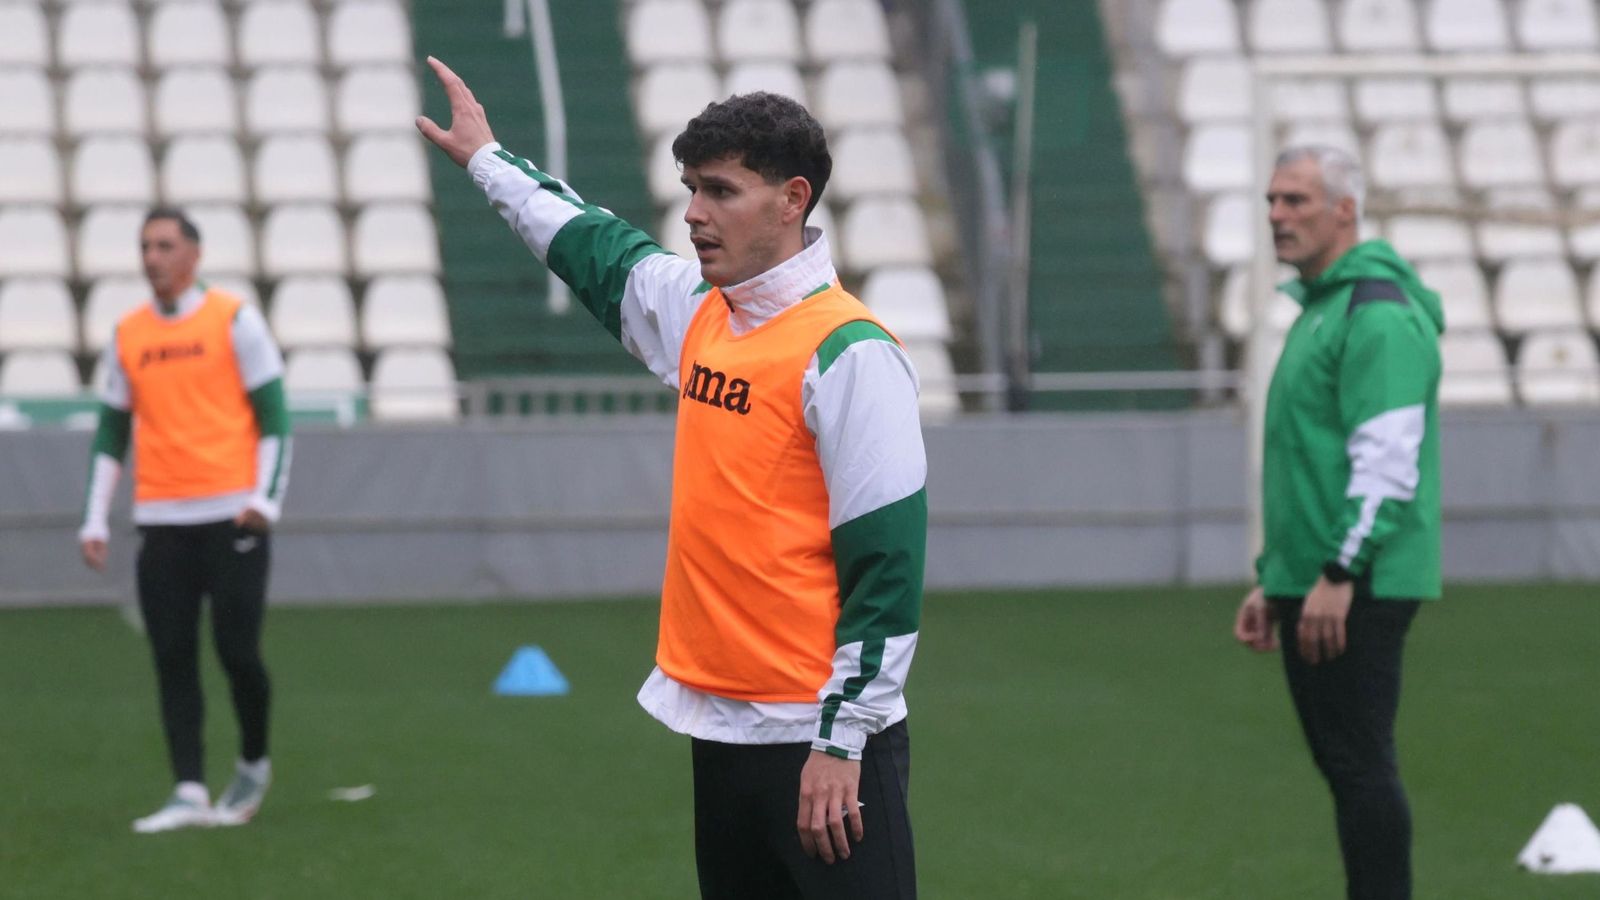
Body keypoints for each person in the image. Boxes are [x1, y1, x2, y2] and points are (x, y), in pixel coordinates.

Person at [416, 57, 925, 898]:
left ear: (793, 199)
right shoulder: (703, 311)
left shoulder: (850, 353)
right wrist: (487, 159)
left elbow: (888, 568)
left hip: (823, 742)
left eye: (720, 191)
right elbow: (593, 246)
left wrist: (841, 741)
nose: (693, 213)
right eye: (690, 188)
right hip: (720, 730)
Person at [1233, 145, 1443, 900]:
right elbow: (1312, 460)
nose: (1277, 216)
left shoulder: (1376, 313)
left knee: (1359, 765)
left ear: (1345, 210)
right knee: (1348, 767)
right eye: (1271, 201)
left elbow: (1388, 462)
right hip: (1317, 576)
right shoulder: (1323, 309)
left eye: (1296, 201)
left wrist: (1336, 574)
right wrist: (1278, 577)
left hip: (1358, 580)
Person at [78, 208, 293, 833]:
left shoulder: (234, 320)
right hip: (161, 521)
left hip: (233, 517)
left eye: (165, 245)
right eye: (145, 246)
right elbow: (111, 434)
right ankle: (189, 790)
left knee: (237, 653)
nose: (152, 257)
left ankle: (252, 763)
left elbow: (276, 419)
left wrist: (266, 500)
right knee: (172, 656)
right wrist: (94, 519)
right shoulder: (128, 334)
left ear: (193, 255)